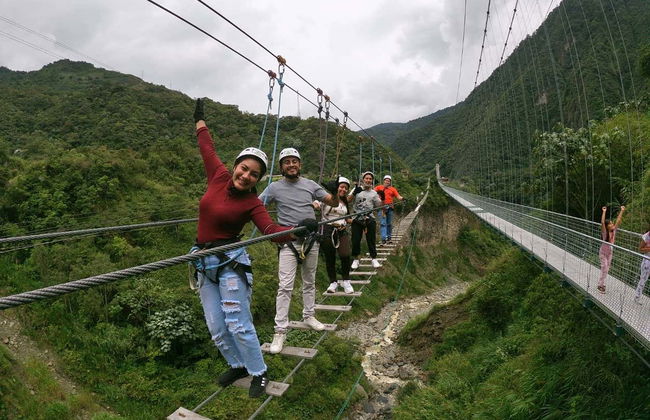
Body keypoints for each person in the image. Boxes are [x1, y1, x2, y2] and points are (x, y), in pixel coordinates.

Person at [190, 99, 317, 398]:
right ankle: (238, 364)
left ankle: (258, 371)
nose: (246, 176)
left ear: (257, 181)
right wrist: (199, 121)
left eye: (254, 175)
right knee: (216, 326)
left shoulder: (251, 203)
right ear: (236, 166)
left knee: (236, 321)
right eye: (244, 168)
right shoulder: (218, 176)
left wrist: (300, 228)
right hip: (203, 263)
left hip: (231, 262)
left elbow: (271, 232)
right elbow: (207, 148)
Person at [259, 148, 340, 353]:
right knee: (285, 286)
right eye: (287, 162)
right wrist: (272, 229)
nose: (291, 165)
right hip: (288, 241)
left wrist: (336, 192)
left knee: (309, 281)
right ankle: (280, 332)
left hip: (311, 239)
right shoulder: (274, 187)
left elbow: (332, 202)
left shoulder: (310, 184)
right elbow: (257, 206)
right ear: (281, 167)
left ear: (300, 165)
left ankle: (309, 315)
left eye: (294, 161)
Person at [314, 177, 354, 294]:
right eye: (341, 187)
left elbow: (347, 218)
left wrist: (358, 221)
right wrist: (314, 204)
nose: (344, 190)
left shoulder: (345, 203)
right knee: (330, 256)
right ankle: (333, 282)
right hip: (327, 228)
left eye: (346, 188)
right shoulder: (327, 198)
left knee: (345, 254)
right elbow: (317, 203)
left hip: (341, 229)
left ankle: (346, 280)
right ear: (336, 187)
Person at [350, 171, 384, 270]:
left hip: (369, 218)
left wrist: (382, 199)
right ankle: (356, 259)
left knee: (371, 239)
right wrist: (354, 193)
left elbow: (379, 206)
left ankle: (374, 258)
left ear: (372, 181)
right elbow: (348, 200)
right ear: (363, 179)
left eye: (370, 179)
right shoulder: (356, 189)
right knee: (355, 240)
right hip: (357, 218)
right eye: (366, 178)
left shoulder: (374, 193)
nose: (368, 180)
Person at [597, 205, 625, 294]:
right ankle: (600, 285)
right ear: (607, 226)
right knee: (604, 267)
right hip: (603, 253)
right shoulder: (605, 233)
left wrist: (622, 211)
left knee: (607, 268)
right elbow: (602, 222)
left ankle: (602, 283)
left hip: (610, 253)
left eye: (612, 223)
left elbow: (618, 221)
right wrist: (604, 211)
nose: (612, 225)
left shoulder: (614, 231)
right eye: (610, 224)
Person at [374, 175, 404, 244]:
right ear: (383, 180)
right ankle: (384, 238)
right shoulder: (379, 187)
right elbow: (372, 192)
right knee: (383, 223)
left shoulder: (393, 189)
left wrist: (402, 198)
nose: (387, 181)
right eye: (386, 180)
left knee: (389, 223)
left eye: (389, 181)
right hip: (381, 208)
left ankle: (389, 237)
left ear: (390, 182)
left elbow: (398, 196)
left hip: (390, 207)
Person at [633, 225, 650, 305]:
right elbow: (640, 249)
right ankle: (637, 297)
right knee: (643, 280)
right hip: (647, 261)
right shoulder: (646, 236)